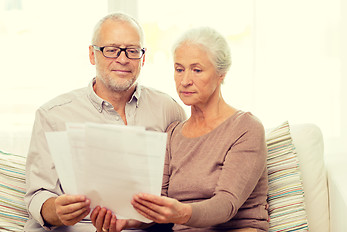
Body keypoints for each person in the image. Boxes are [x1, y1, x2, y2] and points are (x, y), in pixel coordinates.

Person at [91, 27, 269, 232]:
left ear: (221, 74)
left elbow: (226, 204)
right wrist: (125, 221)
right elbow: (160, 206)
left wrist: (180, 213)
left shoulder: (246, 128)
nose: (185, 81)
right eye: (179, 69)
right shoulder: (173, 134)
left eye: (197, 70)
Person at [24, 12, 186, 232]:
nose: (122, 59)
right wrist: (56, 210)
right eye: (111, 50)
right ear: (92, 54)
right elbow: (37, 195)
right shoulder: (52, 114)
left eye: (132, 50)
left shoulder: (169, 110)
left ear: (143, 57)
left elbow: (182, 188)